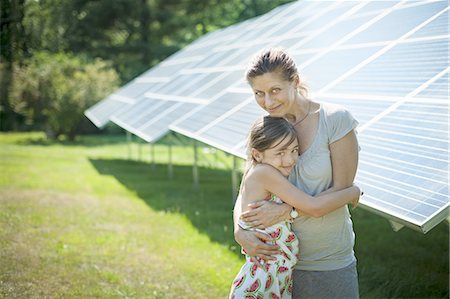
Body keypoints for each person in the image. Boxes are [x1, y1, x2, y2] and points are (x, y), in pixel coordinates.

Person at [233, 48, 360, 299]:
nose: (268, 102)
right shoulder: (268, 126)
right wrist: (240, 231)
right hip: (277, 261)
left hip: (326, 258)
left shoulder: (335, 120)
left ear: (295, 81)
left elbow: (341, 191)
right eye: (259, 93)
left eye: (275, 90)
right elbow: (248, 185)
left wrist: (286, 211)